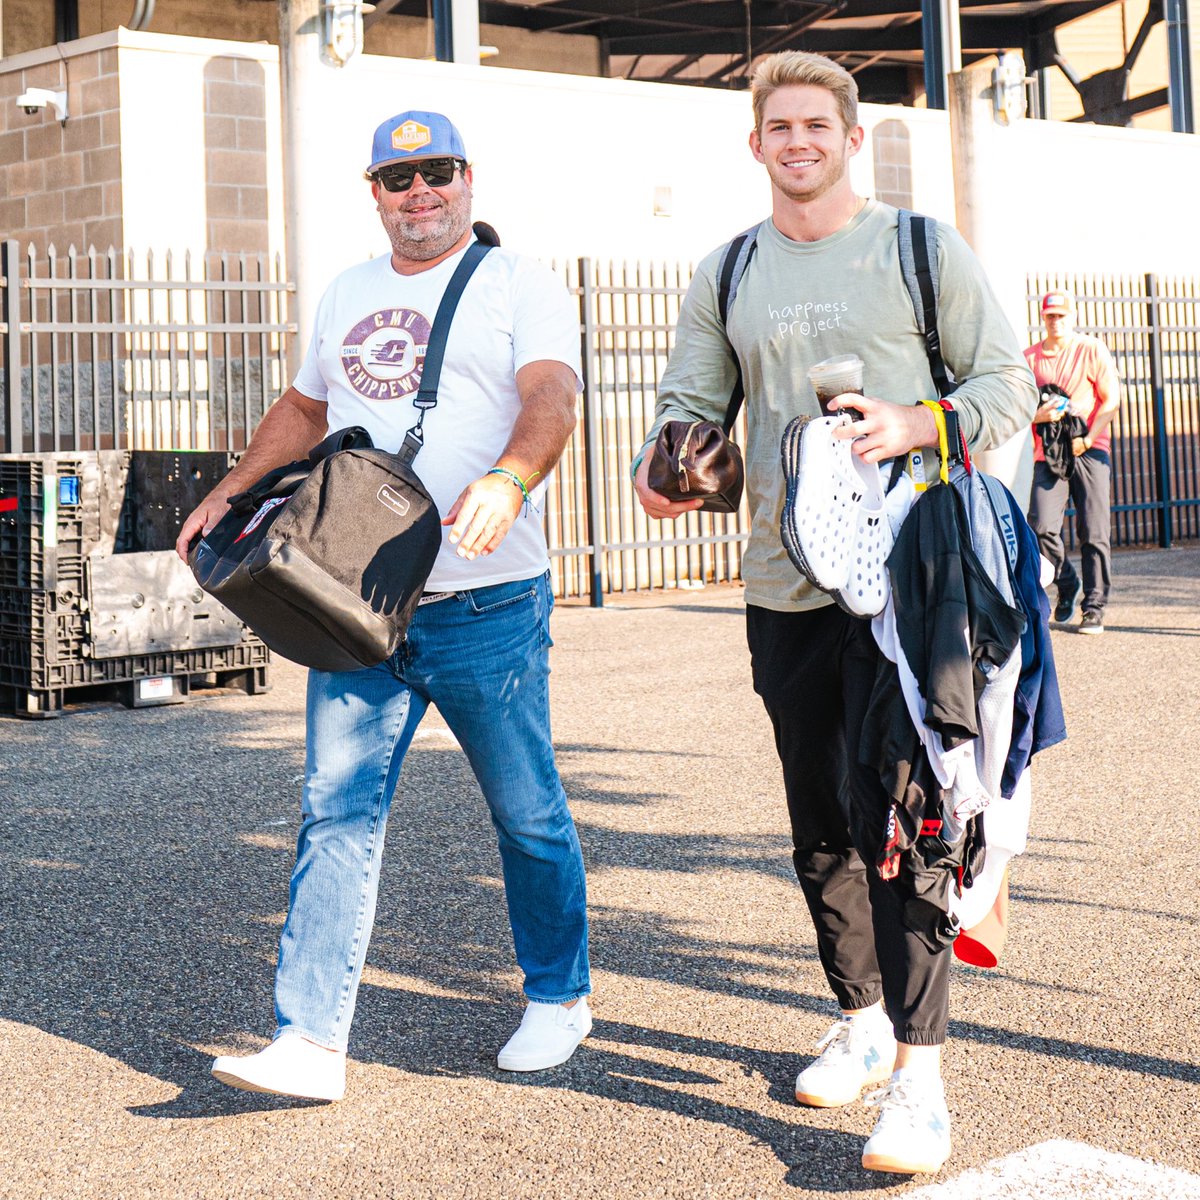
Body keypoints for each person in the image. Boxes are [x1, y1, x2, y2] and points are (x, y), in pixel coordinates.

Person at [633, 52, 1036, 1175]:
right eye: (780, 127)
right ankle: (858, 1021)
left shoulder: (919, 250)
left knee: (906, 821)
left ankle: (920, 1075)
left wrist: (917, 422)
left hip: (912, 585)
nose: (799, 141)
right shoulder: (726, 273)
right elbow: (687, 412)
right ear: (755, 145)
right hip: (786, 581)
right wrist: (673, 466)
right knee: (819, 822)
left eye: (819, 124)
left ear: (853, 140)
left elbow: (1006, 383)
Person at [176, 110, 592, 1101]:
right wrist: (230, 492)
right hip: (352, 602)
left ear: (468, 178)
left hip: (486, 605)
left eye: (436, 172)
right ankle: (311, 1041)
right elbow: (308, 410)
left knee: (526, 812)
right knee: (336, 811)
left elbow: (552, 396)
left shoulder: (516, 284)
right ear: (375, 191)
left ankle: (558, 995)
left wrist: (510, 479)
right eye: (399, 179)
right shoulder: (349, 289)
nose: (420, 193)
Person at [1026, 290, 1121, 635]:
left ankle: (1094, 607)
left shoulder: (1090, 349)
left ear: (1072, 317)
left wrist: (1089, 437)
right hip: (1048, 451)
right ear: (1043, 318)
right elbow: (1021, 409)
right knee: (1040, 525)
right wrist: (1039, 414)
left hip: (1090, 447)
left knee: (1094, 531)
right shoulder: (1030, 359)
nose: (1057, 322)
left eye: (1062, 316)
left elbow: (1112, 398)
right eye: (1051, 316)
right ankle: (1067, 581)